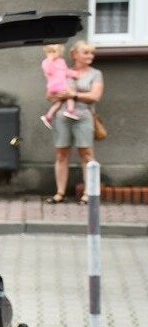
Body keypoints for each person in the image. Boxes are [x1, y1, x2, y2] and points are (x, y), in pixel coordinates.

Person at [46, 40, 104, 204]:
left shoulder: (95, 73)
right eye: (85, 53)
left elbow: (95, 96)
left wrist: (73, 95)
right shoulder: (64, 71)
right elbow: (49, 94)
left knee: (87, 155)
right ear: (75, 55)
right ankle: (60, 193)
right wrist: (59, 95)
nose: (90, 56)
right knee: (61, 154)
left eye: (91, 53)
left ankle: (89, 193)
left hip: (84, 117)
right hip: (62, 117)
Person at [38, 43, 79, 129]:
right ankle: (70, 110)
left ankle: (48, 116)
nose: (52, 54)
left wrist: (74, 74)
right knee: (70, 94)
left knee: (59, 102)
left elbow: (65, 71)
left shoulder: (61, 61)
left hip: (61, 84)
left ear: (59, 52)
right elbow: (48, 71)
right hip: (55, 85)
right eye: (49, 52)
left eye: (54, 51)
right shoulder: (46, 62)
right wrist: (50, 61)